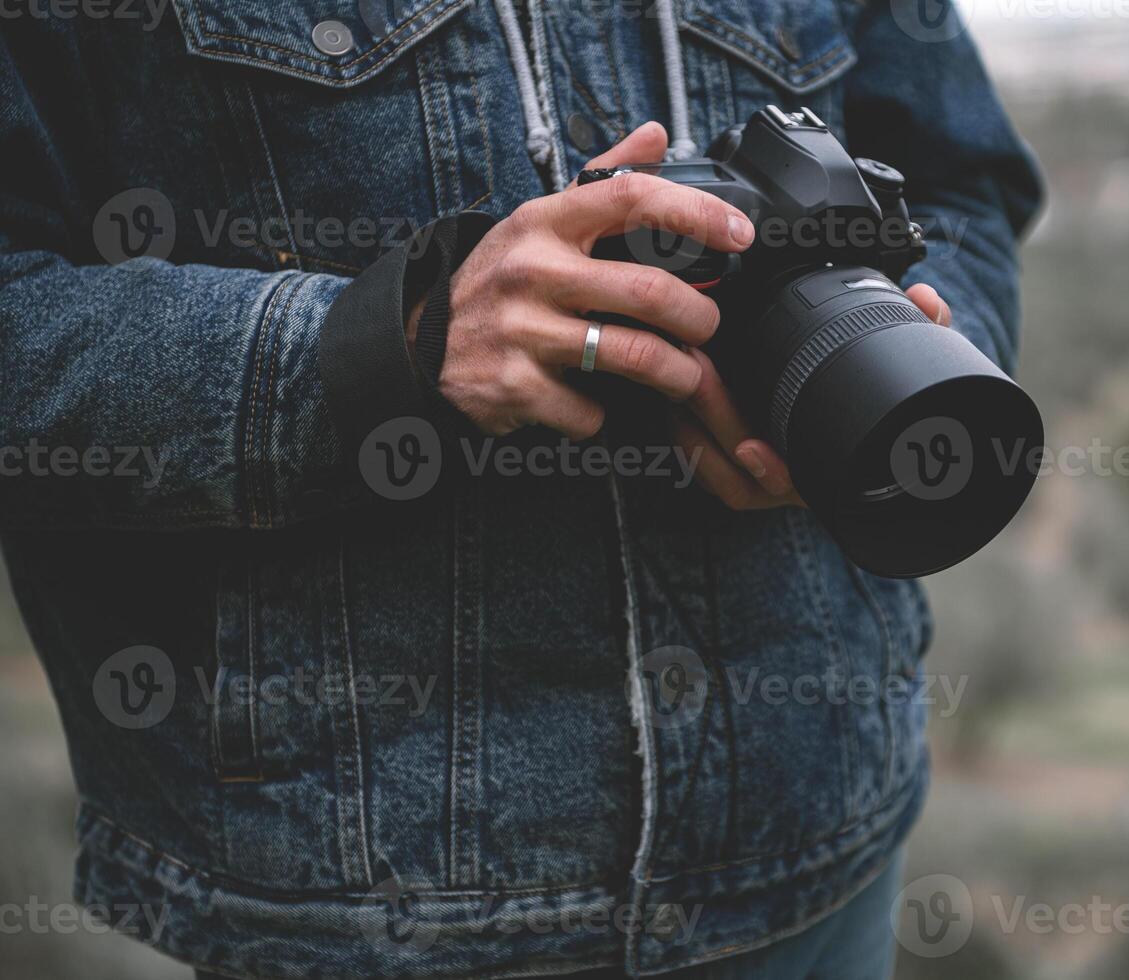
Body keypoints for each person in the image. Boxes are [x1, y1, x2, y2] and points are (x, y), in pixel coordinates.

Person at [0, 0, 1040, 977]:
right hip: (366, 909)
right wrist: (392, 343)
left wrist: (906, 352)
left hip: (820, 843)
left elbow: (962, 182)